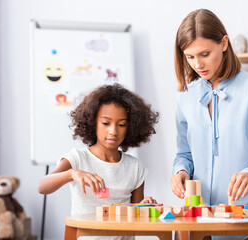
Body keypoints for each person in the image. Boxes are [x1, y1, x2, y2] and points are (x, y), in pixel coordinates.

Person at [170, 9, 248, 240]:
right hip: (201, 223)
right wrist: (180, 171)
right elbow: (184, 153)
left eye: (205, 53)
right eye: (190, 57)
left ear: (224, 43)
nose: (197, 64)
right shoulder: (185, 96)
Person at [38, 83, 159, 240]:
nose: (113, 131)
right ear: (92, 122)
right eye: (106, 123)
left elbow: (135, 215)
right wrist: (72, 174)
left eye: (121, 124)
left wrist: (145, 207)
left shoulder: (135, 168)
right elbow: (42, 187)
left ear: (130, 127)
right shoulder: (77, 159)